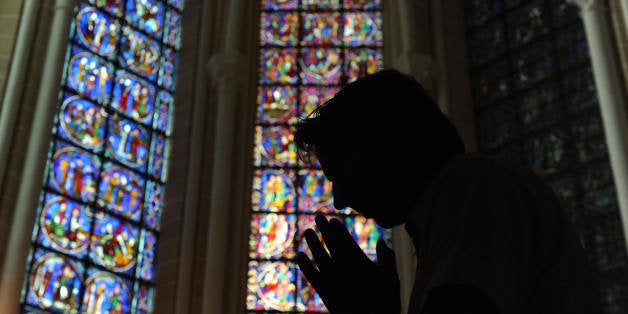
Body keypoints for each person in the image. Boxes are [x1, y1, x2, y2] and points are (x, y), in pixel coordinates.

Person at [294, 69, 602, 314]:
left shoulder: (473, 190)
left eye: (341, 170)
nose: (340, 199)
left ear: (387, 143)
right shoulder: (448, 211)